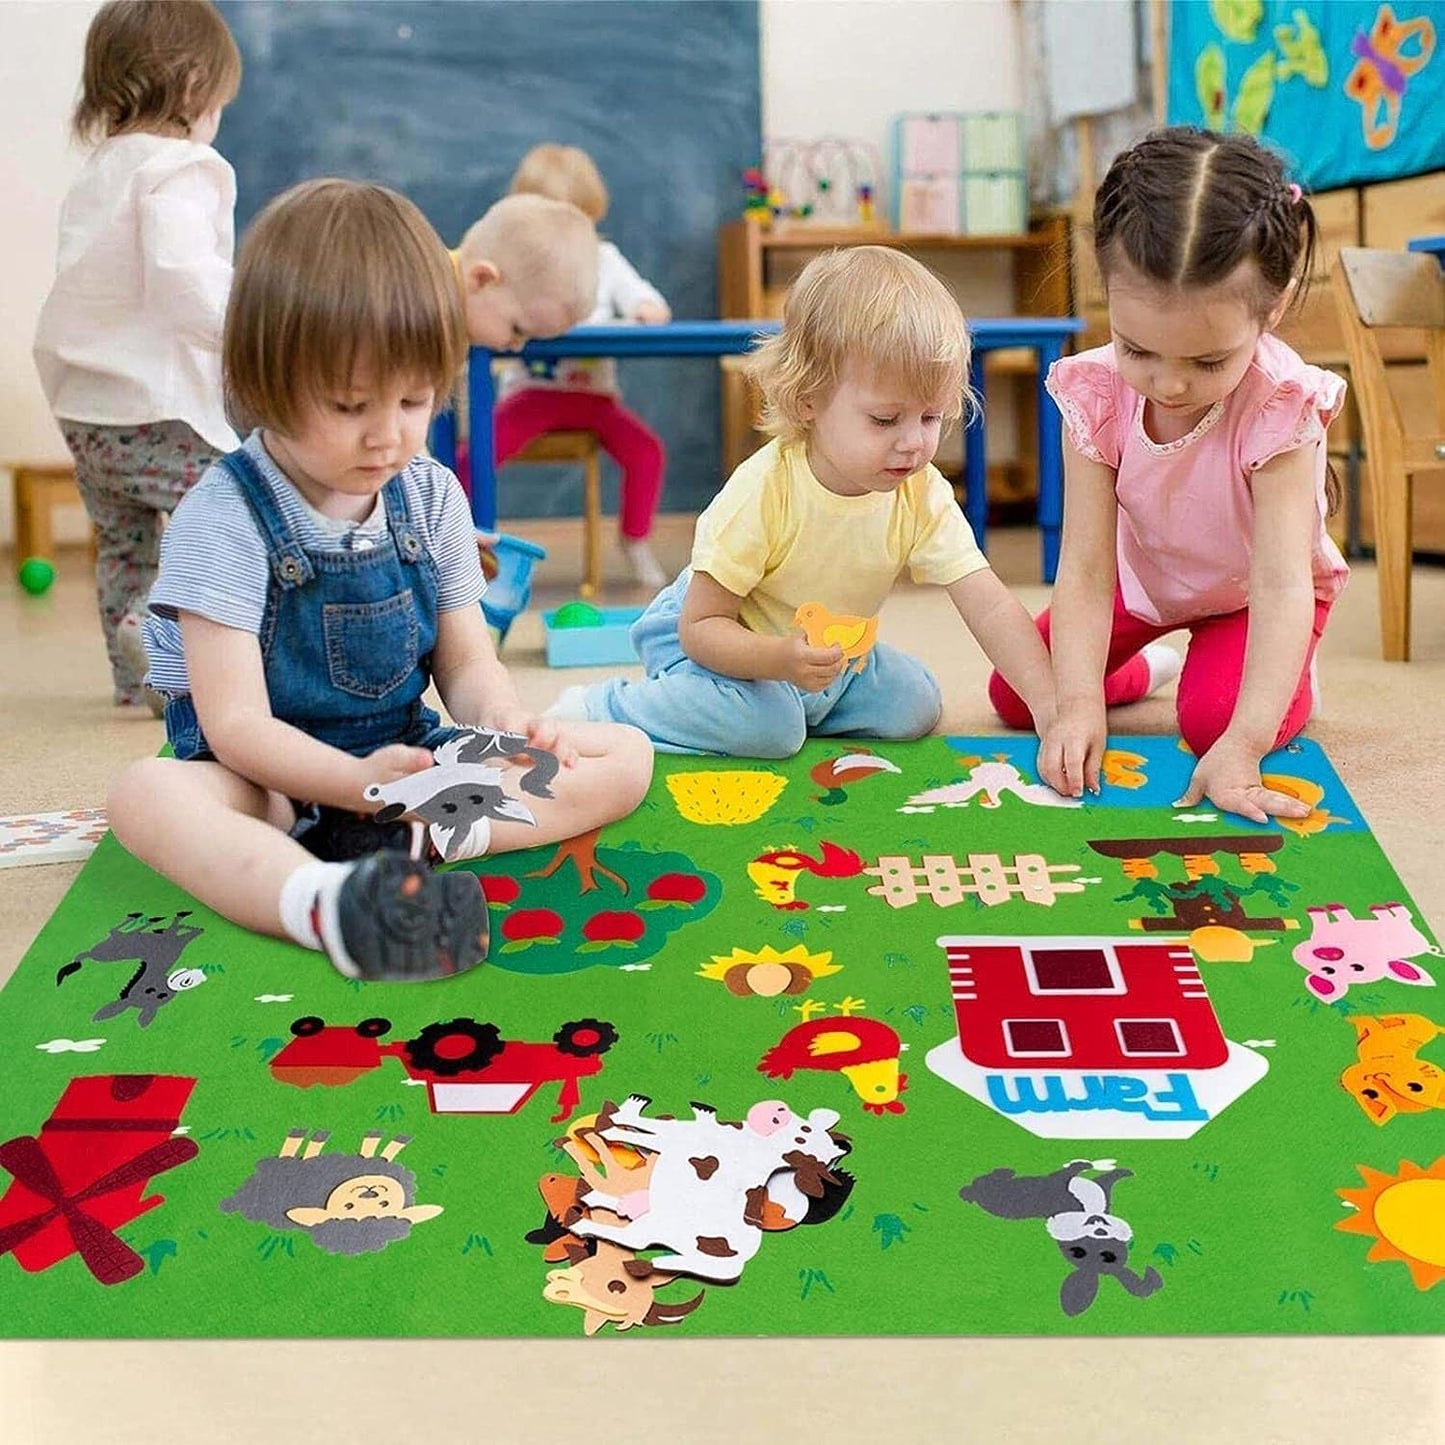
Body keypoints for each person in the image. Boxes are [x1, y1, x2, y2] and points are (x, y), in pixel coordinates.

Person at [107, 179, 653, 984]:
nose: (388, 433)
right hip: (269, 786)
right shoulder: (223, 516)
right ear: (267, 377)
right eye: (350, 403)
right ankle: (321, 899)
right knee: (145, 794)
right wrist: (350, 785)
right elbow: (236, 728)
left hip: (405, 769)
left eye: (414, 399)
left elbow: (466, 666)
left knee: (626, 753)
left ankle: (397, 842)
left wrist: (504, 724)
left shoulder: (428, 492)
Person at [548, 245, 1057, 756]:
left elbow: (988, 603)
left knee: (915, 705)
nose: (913, 443)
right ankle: (605, 708)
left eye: (931, 417)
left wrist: (1051, 708)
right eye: (885, 420)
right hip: (719, 641)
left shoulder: (920, 490)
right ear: (809, 399)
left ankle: (790, 702)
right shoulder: (765, 490)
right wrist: (775, 661)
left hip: (817, 652)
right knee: (773, 732)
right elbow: (700, 628)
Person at [991, 127, 1347, 824]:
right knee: (1022, 691)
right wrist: (1078, 702)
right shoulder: (1092, 391)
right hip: (1142, 586)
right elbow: (1087, 568)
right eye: (1137, 349)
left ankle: (1285, 673)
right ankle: (1152, 666)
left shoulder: (1280, 404)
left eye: (1208, 361)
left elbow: (1281, 583)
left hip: (1252, 598)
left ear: (1268, 311)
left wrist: (1244, 743)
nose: (1169, 383)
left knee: (1214, 723)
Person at [33, 0, 242, 711]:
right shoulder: (182, 166)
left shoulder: (100, 170)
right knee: (215, 523)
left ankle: (133, 673)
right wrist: (247, 328)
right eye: (218, 99)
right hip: (161, 409)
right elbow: (185, 275)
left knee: (124, 546)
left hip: (84, 409)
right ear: (190, 88)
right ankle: (169, 649)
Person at [496, 144, 673, 587]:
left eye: (580, 222)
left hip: (593, 400)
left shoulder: (605, 259)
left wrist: (648, 307)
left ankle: (635, 540)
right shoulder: (519, 262)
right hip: (533, 397)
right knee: (475, 454)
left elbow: (649, 302)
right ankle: (462, 539)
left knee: (646, 452)